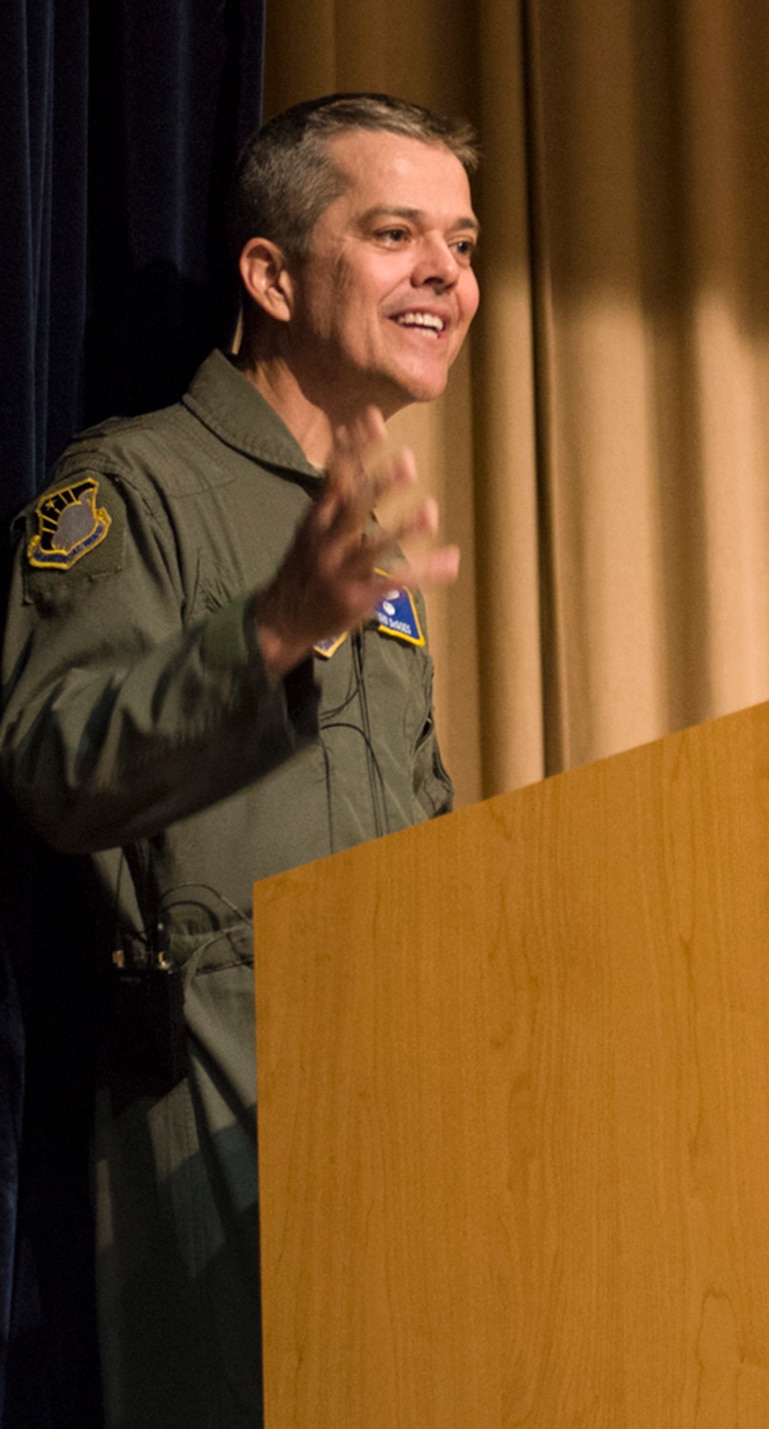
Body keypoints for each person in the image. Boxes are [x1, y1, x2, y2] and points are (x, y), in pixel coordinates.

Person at [0, 92, 479, 1428]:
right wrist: (273, 627)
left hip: (401, 1112)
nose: (449, 272)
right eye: (397, 233)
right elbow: (53, 762)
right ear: (269, 273)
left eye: (463, 237)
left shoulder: (368, 538)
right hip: (210, 1114)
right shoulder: (133, 488)